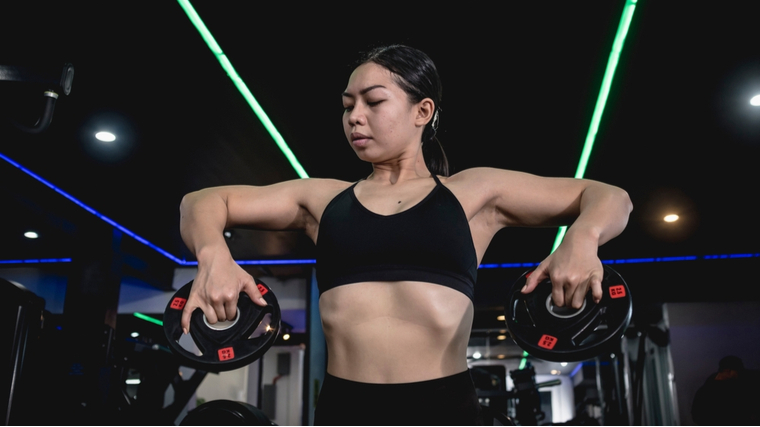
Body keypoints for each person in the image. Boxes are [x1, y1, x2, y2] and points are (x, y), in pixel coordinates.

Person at [178, 45, 632, 425]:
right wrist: (214, 255)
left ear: (423, 111)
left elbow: (610, 197)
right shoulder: (321, 199)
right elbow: (200, 201)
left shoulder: (473, 193)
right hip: (345, 410)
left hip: (445, 409)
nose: (355, 117)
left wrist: (582, 238)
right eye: (347, 105)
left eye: (373, 102)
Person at [692, 356, 760, 425]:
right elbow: (697, 415)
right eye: (738, 370)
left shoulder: (706, 388)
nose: (739, 373)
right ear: (728, 370)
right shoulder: (707, 391)